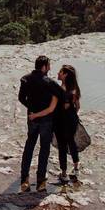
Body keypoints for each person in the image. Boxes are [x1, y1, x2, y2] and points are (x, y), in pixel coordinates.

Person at [17, 55, 62, 192]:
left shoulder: (26, 79)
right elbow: (62, 96)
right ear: (44, 66)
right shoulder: (49, 82)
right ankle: (40, 180)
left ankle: (24, 178)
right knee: (44, 149)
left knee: (29, 145)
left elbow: (21, 98)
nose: (50, 67)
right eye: (49, 65)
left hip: (32, 118)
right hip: (46, 120)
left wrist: (31, 108)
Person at [54, 64, 82, 183]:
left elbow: (54, 107)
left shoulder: (59, 90)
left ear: (65, 74)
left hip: (60, 121)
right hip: (72, 120)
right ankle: (76, 168)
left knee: (62, 146)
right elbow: (77, 107)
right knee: (72, 142)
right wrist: (72, 115)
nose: (58, 73)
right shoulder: (74, 89)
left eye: (60, 72)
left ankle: (64, 173)